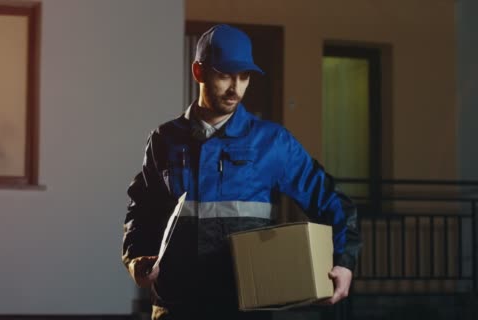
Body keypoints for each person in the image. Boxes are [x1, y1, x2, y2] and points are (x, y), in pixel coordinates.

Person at [122, 24, 362, 320]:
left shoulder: (272, 142)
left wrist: (343, 261)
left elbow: (331, 202)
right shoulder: (165, 140)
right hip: (176, 307)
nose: (236, 88)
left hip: (244, 308)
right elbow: (141, 210)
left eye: (244, 76)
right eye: (224, 75)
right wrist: (137, 258)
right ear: (199, 72)